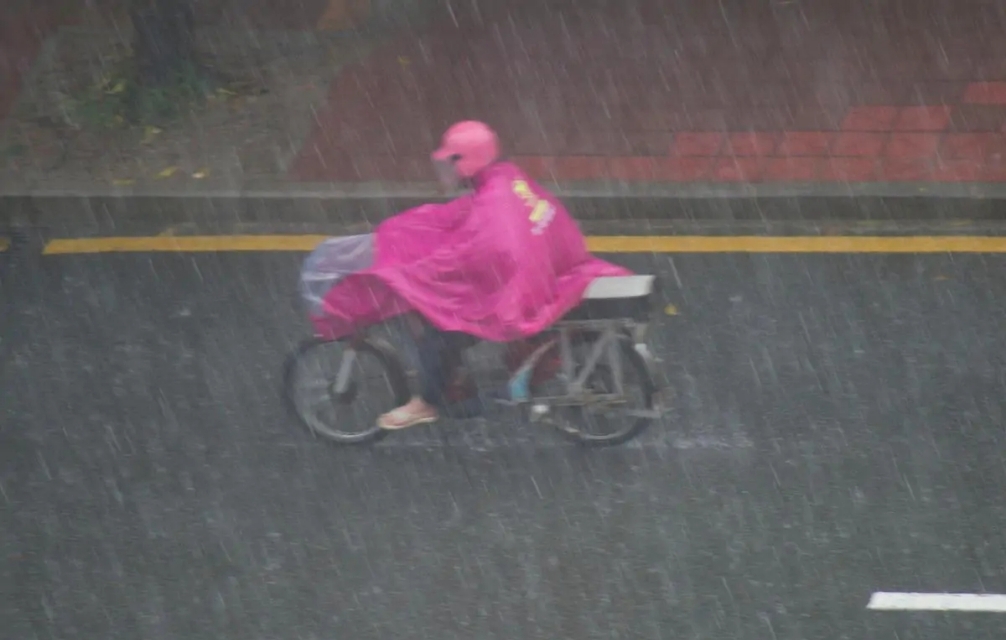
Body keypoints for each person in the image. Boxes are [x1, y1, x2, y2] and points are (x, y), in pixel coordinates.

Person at [371, 120, 630, 430]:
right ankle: (457, 381)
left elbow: (474, 253)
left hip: (525, 294)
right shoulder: (508, 180)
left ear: (464, 163)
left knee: (438, 323)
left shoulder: (493, 206)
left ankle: (427, 401)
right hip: (550, 276)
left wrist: (418, 273)